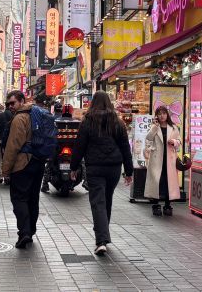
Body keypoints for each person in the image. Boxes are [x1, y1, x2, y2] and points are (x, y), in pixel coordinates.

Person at [70, 91, 133, 255]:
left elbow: (79, 146)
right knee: (107, 200)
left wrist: (74, 167)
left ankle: (101, 240)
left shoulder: (87, 121)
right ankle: (104, 236)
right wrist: (129, 171)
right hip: (113, 168)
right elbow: (125, 148)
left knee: (98, 202)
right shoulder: (118, 122)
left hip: (95, 167)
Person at [1, 90, 44, 248]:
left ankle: (24, 232)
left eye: (13, 103)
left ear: (21, 101)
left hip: (22, 164)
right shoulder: (36, 114)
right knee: (33, 198)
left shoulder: (20, 118)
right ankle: (30, 230)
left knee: (19, 198)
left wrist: (5, 170)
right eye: (8, 104)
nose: (10, 106)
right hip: (38, 162)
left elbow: (13, 146)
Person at [144, 106, 181, 216]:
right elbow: (148, 138)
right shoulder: (154, 126)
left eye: (164, 113)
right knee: (157, 181)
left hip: (169, 159)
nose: (162, 116)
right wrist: (154, 127)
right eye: (159, 114)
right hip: (157, 159)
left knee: (168, 182)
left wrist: (174, 141)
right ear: (156, 116)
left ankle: (167, 205)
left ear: (167, 115)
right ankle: (156, 205)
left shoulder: (173, 127)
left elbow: (179, 141)